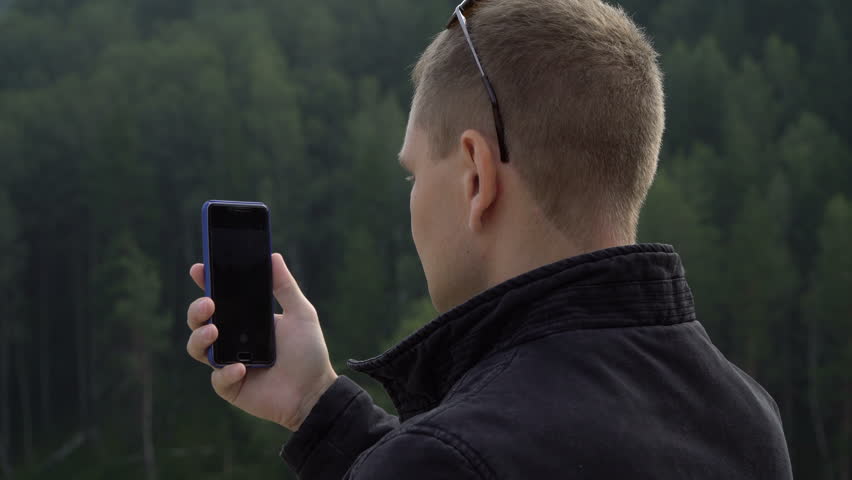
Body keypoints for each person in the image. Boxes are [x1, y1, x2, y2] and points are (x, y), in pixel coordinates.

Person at [185, 0, 793, 478]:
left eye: (414, 174)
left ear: (476, 177)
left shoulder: (447, 458)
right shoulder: (748, 418)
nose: (413, 202)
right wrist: (315, 405)